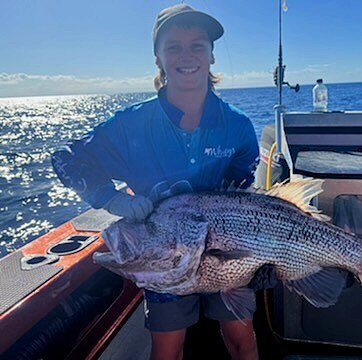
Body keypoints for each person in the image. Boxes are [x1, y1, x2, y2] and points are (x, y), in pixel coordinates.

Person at [51, 4, 259, 359]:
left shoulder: (237, 125)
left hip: (224, 255)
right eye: (173, 46)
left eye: (197, 45)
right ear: (158, 59)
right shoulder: (130, 124)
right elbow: (68, 157)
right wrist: (111, 198)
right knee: (166, 351)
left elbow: (244, 179)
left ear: (211, 56)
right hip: (161, 260)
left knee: (242, 341)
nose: (186, 55)